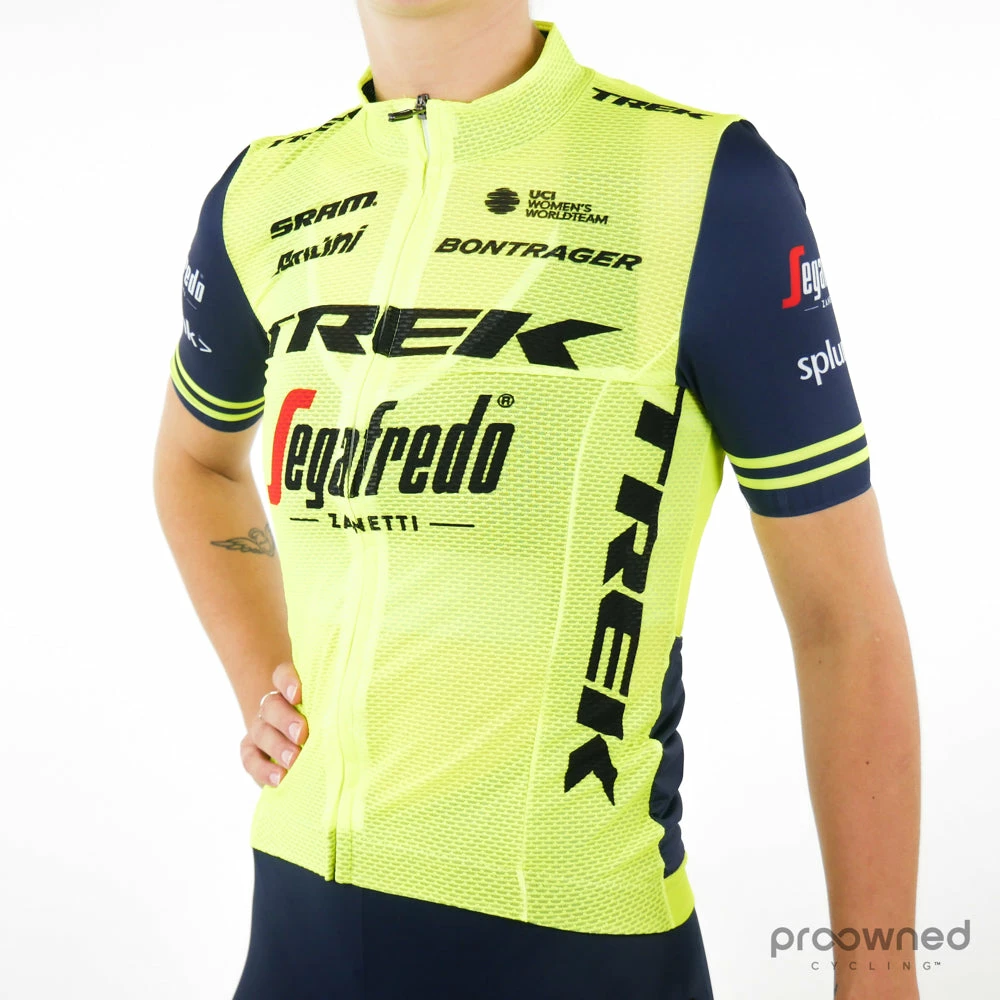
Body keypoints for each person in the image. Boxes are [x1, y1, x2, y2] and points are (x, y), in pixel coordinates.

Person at [153, 2, 921, 997]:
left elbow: (845, 620)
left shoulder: (705, 186)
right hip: (297, 931)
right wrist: (267, 682)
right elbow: (197, 463)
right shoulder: (263, 196)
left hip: (580, 946)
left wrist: (879, 977)